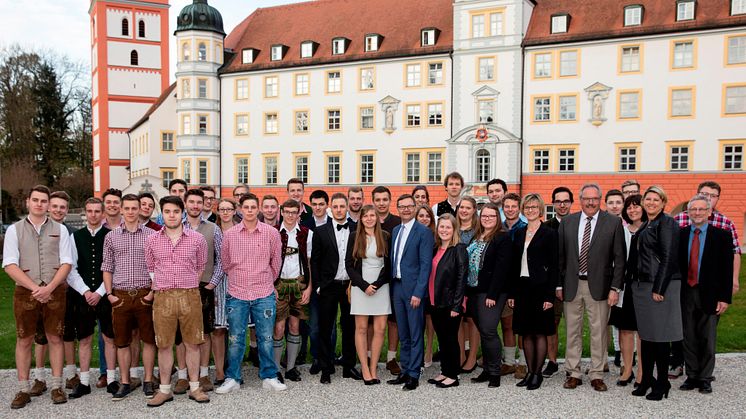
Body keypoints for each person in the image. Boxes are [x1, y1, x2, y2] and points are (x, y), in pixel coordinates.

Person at [3, 186, 73, 409]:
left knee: (55, 338)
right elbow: (9, 264)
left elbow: (67, 262)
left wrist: (50, 287)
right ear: (28, 202)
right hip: (26, 291)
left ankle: (55, 385)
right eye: (36, 200)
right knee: (24, 340)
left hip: (55, 291)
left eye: (44, 201)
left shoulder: (60, 229)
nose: (40, 204)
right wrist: (36, 288)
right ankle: (23, 389)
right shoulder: (15, 230)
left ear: (47, 204)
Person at [216, 193, 286, 394]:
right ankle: (233, 378)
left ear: (259, 209)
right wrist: (240, 276)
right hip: (237, 292)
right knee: (236, 338)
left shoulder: (271, 233)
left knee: (265, 337)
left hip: (263, 292)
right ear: (241, 209)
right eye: (245, 207)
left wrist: (265, 278)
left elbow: (276, 262)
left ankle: (269, 376)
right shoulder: (230, 234)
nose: (249, 210)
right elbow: (226, 263)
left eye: (253, 207)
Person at [558, 183, 625, 392]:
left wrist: (615, 288)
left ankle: (597, 373)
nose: (590, 202)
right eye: (587, 198)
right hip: (572, 284)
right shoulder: (568, 222)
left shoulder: (612, 223)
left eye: (595, 199)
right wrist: (558, 285)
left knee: (598, 332)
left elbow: (620, 258)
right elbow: (560, 256)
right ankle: (573, 372)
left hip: (600, 286)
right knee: (572, 331)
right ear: (580, 200)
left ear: (600, 200)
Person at [145, 196, 210, 406]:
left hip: (189, 295)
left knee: (192, 343)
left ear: (182, 213)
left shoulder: (196, 239)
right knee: (164, 345)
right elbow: (151, 267)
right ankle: (164, 390)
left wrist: (188, 284)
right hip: (163, 296)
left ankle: (195, 387)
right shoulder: (152, 240)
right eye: (167, 211)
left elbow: (201, 266)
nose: (171, 215)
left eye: (175, 211)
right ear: (162, 214)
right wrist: (162, 286)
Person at [673, 181, 741, 378]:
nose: (697, 213)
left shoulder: (721, 234)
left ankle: (705, 377)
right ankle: (692, 375)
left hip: (710, 292)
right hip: (686, 291)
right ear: (688, 212)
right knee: (688, 336)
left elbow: (727, 268)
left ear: (709, 212)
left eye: (701, 209)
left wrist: (725, 296)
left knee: (707, 336)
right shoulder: (682, 232)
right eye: (693, 209)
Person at [101, 194, 157, 401]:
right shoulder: (112, 236)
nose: (132, 212)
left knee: (149, 340)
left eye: (135, 208)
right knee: (122, 342)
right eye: (128, 208)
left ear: (140, 210)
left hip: (145, 294)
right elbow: (107, 267)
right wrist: (109, 294)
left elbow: (158, 266)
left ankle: (148, 380)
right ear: (122, 210)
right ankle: (125, 382)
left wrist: (152, 293)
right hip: (121, 296)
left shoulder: (152, 235)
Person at [631, 186, 681, 401]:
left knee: (660, 337)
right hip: (643, 286)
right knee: (647, 337)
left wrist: (659, 288)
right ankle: (647, 380)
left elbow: (669, 257)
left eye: (655, 199)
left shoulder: (667, 223)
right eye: (648, 199)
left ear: (663, 202)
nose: (651, 202)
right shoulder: (647, 224)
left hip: (659, 286)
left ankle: (662, 383)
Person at [65, 198, 117, 399]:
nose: (93, 215)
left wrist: (101, 292)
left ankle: (111, 379)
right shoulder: (75, 237)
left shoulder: (111, 236)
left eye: (97, 211)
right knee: (85, 338)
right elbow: (71, 268)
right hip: (82, 295)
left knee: (109, 338)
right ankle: (84, 381)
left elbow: (114, 267)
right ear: (85, 213)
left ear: (103, 214)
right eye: (90, 211)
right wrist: (86, 291)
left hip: (105, 295)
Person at [508, 194, 558, 391]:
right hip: (522, 287)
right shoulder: (519, 233)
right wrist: (512, 292)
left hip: (541, 288)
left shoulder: (549, 233)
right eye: (527, 207)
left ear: (541, 209)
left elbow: (554, 266)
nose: (530, 210)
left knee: (539, 332)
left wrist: (549, 296)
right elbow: (513, 265)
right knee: (526, 332)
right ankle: (529, 372)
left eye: (534, 207)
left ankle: (537, 373)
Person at [311, 193, 362, 384]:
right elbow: (314, 261)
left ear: (347, 207)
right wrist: (318, 286)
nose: (339, 209)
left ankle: (349, 366)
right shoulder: (321, 231)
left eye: (343, 206)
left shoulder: (357, 229)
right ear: (331, 208)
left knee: (350, 326)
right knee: (325, 327)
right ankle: (326, 366)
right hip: (328, 286)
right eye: (336, 206)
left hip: (350, 285)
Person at [386, 194, 434, 391]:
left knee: (415, 333)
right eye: (402, 206)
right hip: (396, 286)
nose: (405, 209)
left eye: (409, 206)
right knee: (403, 332)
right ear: (397, 208)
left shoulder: (423, 232)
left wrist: (418, 292)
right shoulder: (396, 230)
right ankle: (405, 370)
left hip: (413, 290)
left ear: (415, 207)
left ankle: (414, 373)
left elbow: (425, 265)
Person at [465, 203, 512, 388]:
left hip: (492, 293)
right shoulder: (477, 236)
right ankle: (486, 369)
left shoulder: (502, 237)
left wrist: (492, 294)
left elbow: (502, 269)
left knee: (489, 330)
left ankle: (495, 372)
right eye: (484, 216)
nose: (487, 219)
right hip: (474, 291)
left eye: (491, 216)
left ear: (497, 218)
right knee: (484, 332)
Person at [182, 189, 225, 393]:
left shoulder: (213, 229)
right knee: (181, 333)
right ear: (185, 203)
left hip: (205, 285)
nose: (196, 205)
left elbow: (221, 259)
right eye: (192, 202)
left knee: (205, 332)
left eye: (199, 202)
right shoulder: (174, 227)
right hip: (180, 287)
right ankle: (182, 376)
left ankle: (204, 374)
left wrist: (212, 284)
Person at [346, 205, 391, 384]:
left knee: (380, 330)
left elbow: (389, 266)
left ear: (377, 218)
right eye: (366, 216)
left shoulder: (385, 236)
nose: (369, 218)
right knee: (362, 329)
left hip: (381, 287)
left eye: (373, 215)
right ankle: (364, 367)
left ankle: (374, 367)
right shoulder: (354, 237)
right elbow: (349, 265)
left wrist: (377, 285)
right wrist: (364, 286)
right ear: (361, 219)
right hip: (360, 287)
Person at [273, 199, 313, 383]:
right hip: (279, 283)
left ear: (299, 213)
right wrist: (271, 286)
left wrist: (309, 287)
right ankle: (275, 368)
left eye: (293, 212)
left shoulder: (306, 234)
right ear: (281, 212)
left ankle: (290, 367)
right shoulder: (273, 233)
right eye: (287, 212)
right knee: (279, 327)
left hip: (299, 283)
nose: (290, 215)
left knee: (295, 326)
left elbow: (310, 263)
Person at [609, 194, 646, 387]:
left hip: (643, 286)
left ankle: (642, 371)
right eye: (629, 207)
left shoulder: (650, 229)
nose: (632, 210)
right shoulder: (621, 230)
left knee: (641, 330)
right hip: (623, 286)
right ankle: (627, 369)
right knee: (624, 329)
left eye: (636, 206)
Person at [427, 214, 468, 388]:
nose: (444, 230)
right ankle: (445, 371)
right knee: (442, 339)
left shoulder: (459, 249)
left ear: (454, 229)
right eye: (441, 227)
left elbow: (461, 278)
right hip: (435, 301)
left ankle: (453, 375)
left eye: (448, 227)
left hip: (451, 302)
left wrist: (457, 305)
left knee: (451, 339)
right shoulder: (436, 248)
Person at [47, 191, 79, 392]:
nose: (58, 210)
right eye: (55, 206)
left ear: (67, 210)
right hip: (42, 287)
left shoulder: (71, 232)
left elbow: (72, 262)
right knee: (43, 336)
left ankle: (70, 373)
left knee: (67, 333)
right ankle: (42, 376)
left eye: (62, 207)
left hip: (66, 288)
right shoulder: (39, 229)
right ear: (49, 207)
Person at [542, 186, 573, 378]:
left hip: (575, 281)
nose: (562, 205)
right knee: (551, 323)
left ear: (571, 203)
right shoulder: (546, 227)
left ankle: (572, 363)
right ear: (553, 203)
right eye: (558, 201)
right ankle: (552, 361)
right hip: (553, 283)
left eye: (565, 201)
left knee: (574, 325)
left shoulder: (579, 224)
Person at [371, 186, 401, 374]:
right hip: (370, 278)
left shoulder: (397, 223)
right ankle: (367, 355)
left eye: (384, 199)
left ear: (389, 201)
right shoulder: (368, 221)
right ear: (373, 201)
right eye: (378, 200)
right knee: (368, 320)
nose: (381, 203)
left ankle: (391, 358)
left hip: (392, 278)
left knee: (393, 320)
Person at [500, 192, 525, 378]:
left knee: (521, 325)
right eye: (506, 206)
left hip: (522, 283)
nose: (510, 209)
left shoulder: (525, 228)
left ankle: (523, 363)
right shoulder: (498, 228)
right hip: (503, 284)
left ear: (519, 208)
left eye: (513, 207)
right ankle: (508, 362)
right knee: (507, 324)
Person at [213, 198, 238, 383]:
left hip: (238, 280)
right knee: (219, 328)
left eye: (229, 209)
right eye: (222, 209)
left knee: (237, 328)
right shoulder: (213, 230)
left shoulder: (241, 229)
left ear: (235, 210)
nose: (225, 212)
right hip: (218, 282)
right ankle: (220, 370)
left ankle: (234, 368)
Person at [456, 196, 481, 373]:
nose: (464, 211)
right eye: (461, 207)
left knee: (472, 320)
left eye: (468, 208)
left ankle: (472, 357)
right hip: (455, 281)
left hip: (474, 281)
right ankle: (460, 356)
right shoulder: (453, 228)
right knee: (457, 320)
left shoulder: (479, 231)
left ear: (474, 210)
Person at [414, 204, 436, 368]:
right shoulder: (411, 235)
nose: (424, 218)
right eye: (421, 215)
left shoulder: (436, 236)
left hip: (433, 283)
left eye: (427, 216)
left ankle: (428, 350)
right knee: (417, 321)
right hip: (417, 284)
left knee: (430, 319)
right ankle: (417, 353)